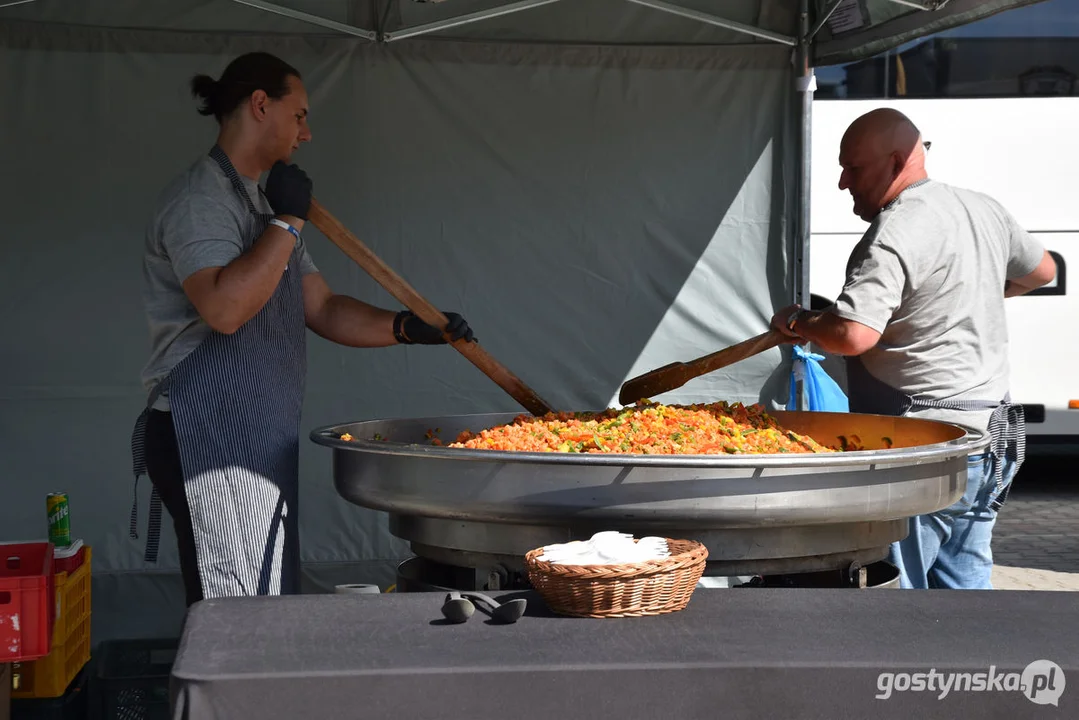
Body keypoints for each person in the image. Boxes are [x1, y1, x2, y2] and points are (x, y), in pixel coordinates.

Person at [129, 52, 475, 606]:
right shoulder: (202, 202)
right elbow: (224, 308)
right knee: (236, 604)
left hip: (256, 429)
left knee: (264, 591)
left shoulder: (260, 204)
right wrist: (286, 222)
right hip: (206, 436)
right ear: (261, 105)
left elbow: (322, 306)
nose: (307, 133)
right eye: (299, 115)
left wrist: (407, 328)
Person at [770, 108, 1056, 590]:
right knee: (965, 593)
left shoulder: (894, 230)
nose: (843, 183)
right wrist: (968, 292)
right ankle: (976, 667)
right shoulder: (981, 207)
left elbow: (854, 334)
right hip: (990, 440)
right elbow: (1042, 272)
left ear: (897, 160)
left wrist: (800, 320)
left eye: (853, 168)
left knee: (906, 609)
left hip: (923, 451)